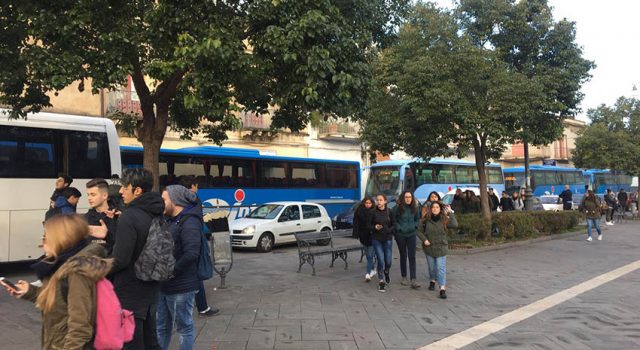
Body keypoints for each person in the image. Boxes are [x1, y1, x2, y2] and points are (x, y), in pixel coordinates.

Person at [1, 214, 110, 349]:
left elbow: (80, 328)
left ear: (62, 240)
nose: (42, 242)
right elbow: (58, 301)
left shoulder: (76, 272)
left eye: (46, 237)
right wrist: (29, 291)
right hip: (55, 341)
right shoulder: (59, 265)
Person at [110, 168, 164, 350]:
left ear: (138, 190)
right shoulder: (156, 211)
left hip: (129, 291)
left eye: (125, 187)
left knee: (131, 343)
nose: (120, 191)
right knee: (150, 341)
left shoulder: (130, 216)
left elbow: (121, 259)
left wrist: (96, 269)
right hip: (150, 287)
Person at [157, 185, 202, 350]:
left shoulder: (190, 222)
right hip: (164, 284)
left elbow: (191, 254)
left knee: (184, 328)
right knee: (161, 326)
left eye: (164, 200)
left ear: (175, 201)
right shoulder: (168, 219)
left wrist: (170, 271)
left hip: (181, 286)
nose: (161, 203)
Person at [178, 175, 219, 317]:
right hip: (194, 239)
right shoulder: (194, 200)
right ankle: (202, 307)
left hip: (181, 240)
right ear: (193, 186)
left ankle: (198, 305)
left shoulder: (177, 199)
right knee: (196, 272)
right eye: (197, 186)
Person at [417, 201, 458, 299]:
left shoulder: (444, 219)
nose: (435, 209)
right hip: (429, 248)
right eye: (433, 207)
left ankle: (442, 288)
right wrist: (424, 240)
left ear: (440, 209)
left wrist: (450, 213)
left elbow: (455, 225)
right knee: (432, 268)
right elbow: (418, 231)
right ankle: (432, 280)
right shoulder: (425, 220)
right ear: (430, 209)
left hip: (441, 247)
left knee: (440, 268)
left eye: (437, 207)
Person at [393, 191, 421, 289]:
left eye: (410, 197)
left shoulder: (415, 208)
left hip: (412, 234)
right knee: (403, 255)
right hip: (400, 234)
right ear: (403, 198)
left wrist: (415, 226)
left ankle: (413, 278)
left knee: (412, 256)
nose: (408, 199)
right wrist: (398, 227)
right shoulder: (397, 208)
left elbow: (418, 219)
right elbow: (393, 219)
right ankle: (404, 276)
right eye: (406, 197)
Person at [85, 178, 118, 254]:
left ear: (105, 195)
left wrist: (107, 235)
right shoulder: (85, 218)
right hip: (88, 263)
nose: (89, 198)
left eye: (93, 194)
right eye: (88, 195)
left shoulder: (118, 216)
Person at [370, 194, 395, 293]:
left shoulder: (390, 211)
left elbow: (394, 224)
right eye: (377, 200)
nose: (378, 202)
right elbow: (368, 225)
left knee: (388, 261)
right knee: (380, 259)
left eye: (381, 200)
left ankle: (386, 271)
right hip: (377, 239)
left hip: (387, 238)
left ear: (385, 201)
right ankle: (381, 281)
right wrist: (374, 227)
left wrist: (389, 230)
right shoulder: (373, 212)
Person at [352, 196, 375, 282]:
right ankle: (372, 268)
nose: (368, 205)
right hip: (363, 236)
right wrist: (356, 233)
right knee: (368, 253)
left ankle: (368, 274)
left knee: (370, 255)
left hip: (373, 235)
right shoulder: (359, 211)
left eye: (370, 203)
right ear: (364, 203)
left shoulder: (374, 211)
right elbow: (356, 223)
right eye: (367, 203)